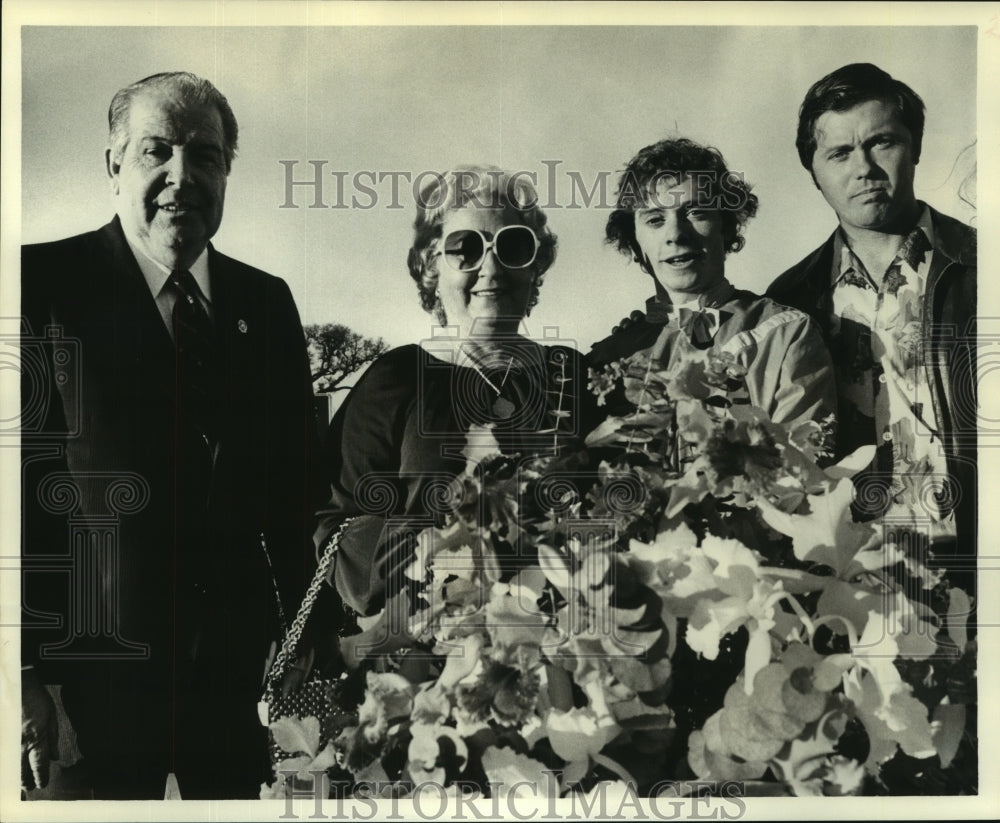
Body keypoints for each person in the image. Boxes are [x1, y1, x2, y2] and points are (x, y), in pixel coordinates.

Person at [20, 72, 322, 799]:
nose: (181, 178)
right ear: (113, 164)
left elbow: (295, 502)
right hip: (84, 694)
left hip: (234, 692)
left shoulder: (266, 303)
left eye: (206, 156)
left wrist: (309, 670)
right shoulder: (40, 284)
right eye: (157, 151)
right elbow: (14, 498)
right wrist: (20, 680)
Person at [314, 166, 592, 620]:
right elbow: (334, 521)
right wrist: (444, 547)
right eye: (465, 249)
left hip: (565, 634)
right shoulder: (397, 378)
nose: (491, 267)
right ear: (431, 268)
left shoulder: (571, 373)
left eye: (513, 246)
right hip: (428, 643)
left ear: (534, 265)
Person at [766, 63, 976, 577]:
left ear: (917, 147)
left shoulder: (982, 267)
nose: (864, 168)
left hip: (975, 553)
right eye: (839, 153)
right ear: (813, 172)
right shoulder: (789, 302)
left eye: (882, 143)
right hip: (849, 566)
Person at [590, 137, 835, 429]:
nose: (676, 234)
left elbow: (804, 461)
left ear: (727, 226)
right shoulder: (609, 356)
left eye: (696, 212)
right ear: (634, 243)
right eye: (655, 220)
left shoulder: (785, 333)